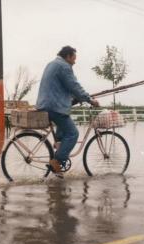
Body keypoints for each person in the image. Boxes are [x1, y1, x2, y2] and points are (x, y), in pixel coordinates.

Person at [36, 46, 99, 175]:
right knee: (73, 134)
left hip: (45, 104)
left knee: (63, 133)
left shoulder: (52, 64)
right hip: (55, 106)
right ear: (68, 56)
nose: (74, 62)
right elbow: (74, 86)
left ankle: (59, 152)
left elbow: (60, 87)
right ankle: (57, 161)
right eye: (74, 59)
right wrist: (90, 100)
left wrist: (76, 98)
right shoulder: (64, 66)